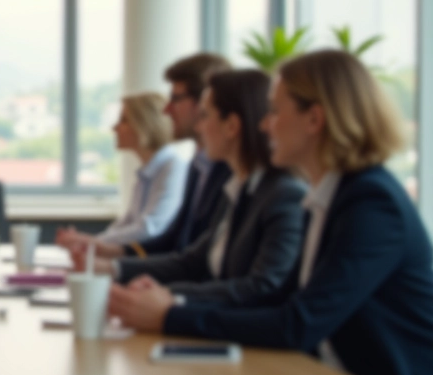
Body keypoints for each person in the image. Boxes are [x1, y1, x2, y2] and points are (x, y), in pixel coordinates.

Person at [109, 50, 433, 375]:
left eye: (276, 111)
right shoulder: (326, 196)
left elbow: (299, 322)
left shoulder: (372, 204)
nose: (264, 125)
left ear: (314, 119)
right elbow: (276, 300)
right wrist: (170, 301)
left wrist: (171, 314)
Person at [72, 70, 306, 308]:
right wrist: (117, 270)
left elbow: (262, 287)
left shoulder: (281, 195)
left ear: (232, 126)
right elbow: (193, 261)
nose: (199, 126)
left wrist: (170, 300)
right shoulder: (238, 189)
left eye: (204, 116)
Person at [58, 53, 232, 257]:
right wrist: (102, 251)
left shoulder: (184, 167)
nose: (166, 110)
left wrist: (99, 248)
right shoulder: (196, 165)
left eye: (175, 99)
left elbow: (152, 229)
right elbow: (171, 241)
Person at [74, 93, 188, 245]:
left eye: (123, 120)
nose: (114, 128)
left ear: (145, 124)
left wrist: (92, 243)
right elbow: (126, 223)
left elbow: (150, 228)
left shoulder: (173, 167)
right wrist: (91, 242)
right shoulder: (147, 172)